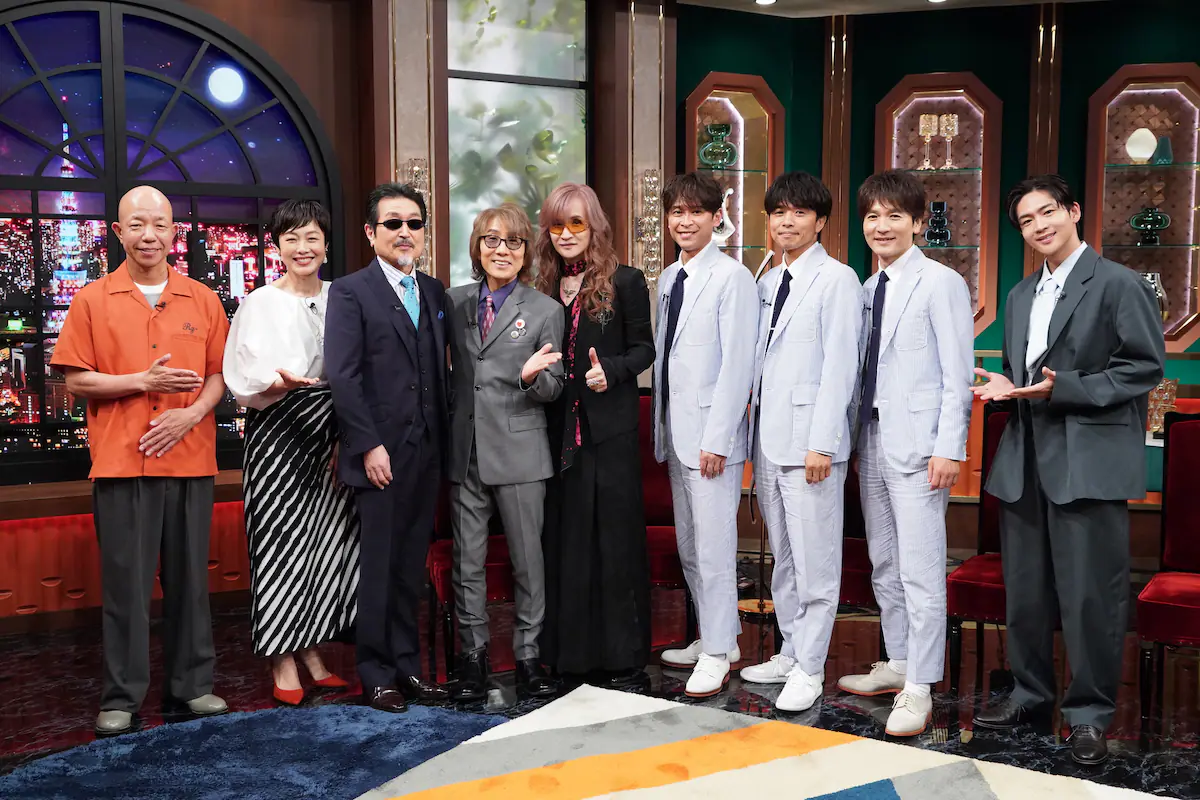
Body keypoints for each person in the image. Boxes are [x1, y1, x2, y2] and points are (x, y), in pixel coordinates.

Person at [972, 175, 1164, 765]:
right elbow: (1026, 374)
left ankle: (1089, 716)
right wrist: (1008, 386)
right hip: (1024, 460)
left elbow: (1143, 368)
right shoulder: (1018, 295)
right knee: (1026, 593)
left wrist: (1066, 388)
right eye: (1026, 221)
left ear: (1074, 211)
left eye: (1047, 212)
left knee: (1090, 598)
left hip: (1087, 460)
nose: (1039, 226)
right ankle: (1030, 695)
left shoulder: (1119, 283)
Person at [51, 186, 230, 735]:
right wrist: (142, 382)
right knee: (125, 586)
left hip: (190, 459)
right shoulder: (91, 300)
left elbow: (219, 375)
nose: (149, 235)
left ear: (174, 232)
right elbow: (76, 380)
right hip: (121, 462)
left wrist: (189, 414)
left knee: (190, 583)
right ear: (118, 232)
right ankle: (121, 696)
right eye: (137, 225)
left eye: (159, 224)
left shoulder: (203, 299)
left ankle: (193, 684)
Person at [836, 170, 973, 737]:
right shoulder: (868, 289)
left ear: (918, 223)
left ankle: (921, 683)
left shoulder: (941, 283)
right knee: (885, 562)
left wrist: (949, 447)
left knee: (920, 568)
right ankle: (897, 659)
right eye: (872, 216)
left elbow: (957, 375)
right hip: (870, 440)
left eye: (895, 215)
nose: (882, 226)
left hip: (920, 448)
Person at [223, 199, 359, 706]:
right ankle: (281, 658)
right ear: (277, 246)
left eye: (311, 237)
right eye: (291, 238)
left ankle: (313, 652)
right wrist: (275, 383)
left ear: (326, 243)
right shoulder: (259, 302)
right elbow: (241, 373)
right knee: (278, 545)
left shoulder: (342, 296)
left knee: (324, 544)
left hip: (332, 431)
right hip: (277, 430)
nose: (302, 247)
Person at [738, 172, 861, 712]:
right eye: (778, 212)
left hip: (811, 444)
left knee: (816, 564)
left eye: (799, 212)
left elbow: (840, 367)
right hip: (769, 442)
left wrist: (824, 443)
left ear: (821, 221)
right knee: (785, 559)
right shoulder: (767, 282)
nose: (786, 221)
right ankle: (790, 652)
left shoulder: (838, 280)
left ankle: (811, 666)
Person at [324, 183, 450, 713]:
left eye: (414, 223)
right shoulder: (350, 292)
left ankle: (407, 668)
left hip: (427, 451)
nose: (404, 232)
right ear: (371, 232)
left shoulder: (435, 291)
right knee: (378, 566)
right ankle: (375, 674)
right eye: (393, 223)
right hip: (380, 454)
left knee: (409, 567)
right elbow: (343, 375)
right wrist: (368, 445)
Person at [533, 183, 656, 686]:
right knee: (565, 542)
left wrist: (612, 370)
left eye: (576, 223)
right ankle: (568, 655)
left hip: (608, 432)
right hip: (554, 433)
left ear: (595, 226)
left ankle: (622, 655)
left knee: (613, 540)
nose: (566, 234)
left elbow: (644, 349)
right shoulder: (541, 286)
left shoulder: (625, 280)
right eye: (557, 225)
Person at [446, 203, 566, 703]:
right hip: (465, 452)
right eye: (492, 240)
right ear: (477, 247)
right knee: (466, 564)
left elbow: (555, 387)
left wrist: (531, 378)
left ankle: (528, 658)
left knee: (527, 563)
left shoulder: (545, 310)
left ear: (525, 252)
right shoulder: (453, 302)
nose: (502, 250)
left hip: (520, 452)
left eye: (513, 242)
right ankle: (473, 659)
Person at [653, 172, 758, 698]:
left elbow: (739, 365)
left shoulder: (732, 277)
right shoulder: (669, 277)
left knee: (715, 549)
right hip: (677, 432)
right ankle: (719, 637)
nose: (685, 221)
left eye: (697, 211)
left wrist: (719, 438)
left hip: (711, 438)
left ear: (717, 218)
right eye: (677, 211)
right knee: (691, 547)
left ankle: (716, 654)